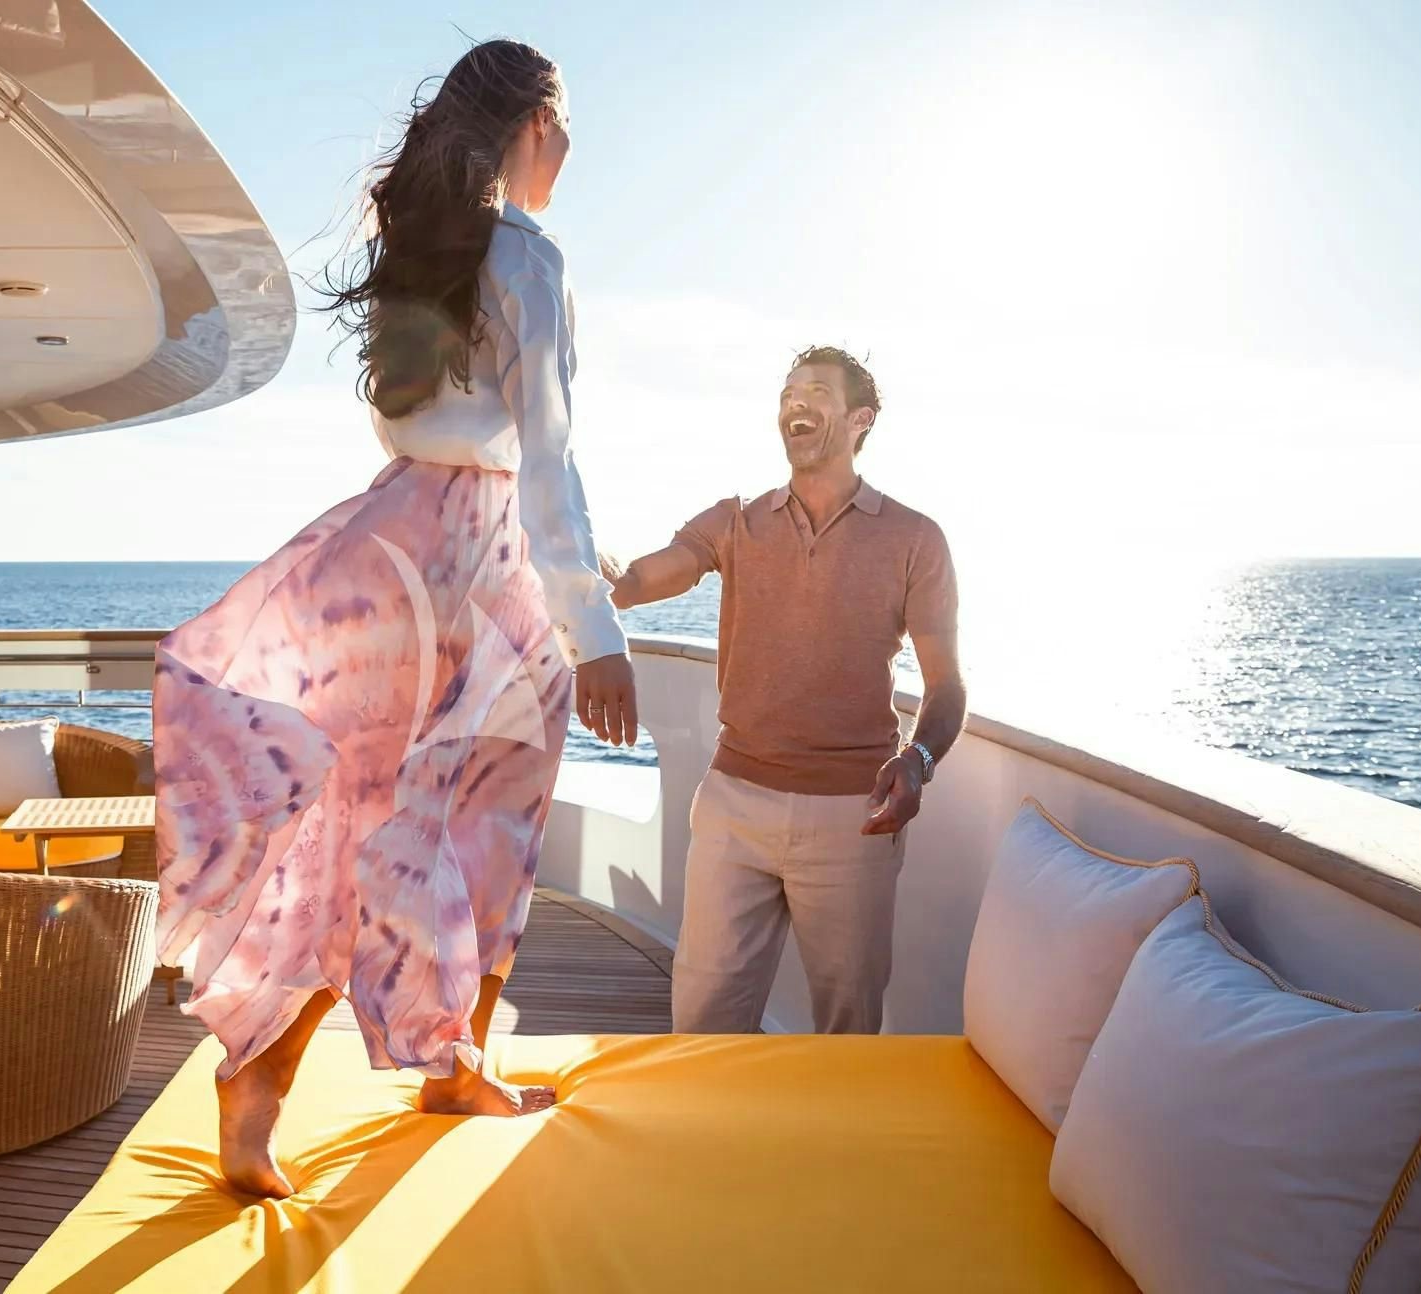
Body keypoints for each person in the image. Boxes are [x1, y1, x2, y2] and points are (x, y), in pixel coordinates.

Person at [153, 39, 637, 1199]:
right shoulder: (526, 257)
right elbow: (548, 463)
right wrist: (602, 629)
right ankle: (437, 1061)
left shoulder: (423, 251)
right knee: (488, 819)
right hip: (476, 559)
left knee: (368, 814)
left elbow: (427, 425)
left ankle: (284, 1077)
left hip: (395, 543)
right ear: (529, 125)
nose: (566, 149)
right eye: (561, 124)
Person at [607, 346, 965, 1036]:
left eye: (816, 391)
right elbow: (644, 581)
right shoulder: (737, 521)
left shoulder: (916, 539)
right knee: (702, 1025)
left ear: (861, 419)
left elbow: (947, 683)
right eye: (787, 392)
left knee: (847, 1031)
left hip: (854, 817)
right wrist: (597, 576)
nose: (794, 403)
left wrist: (918, 762)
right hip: (734, 807)